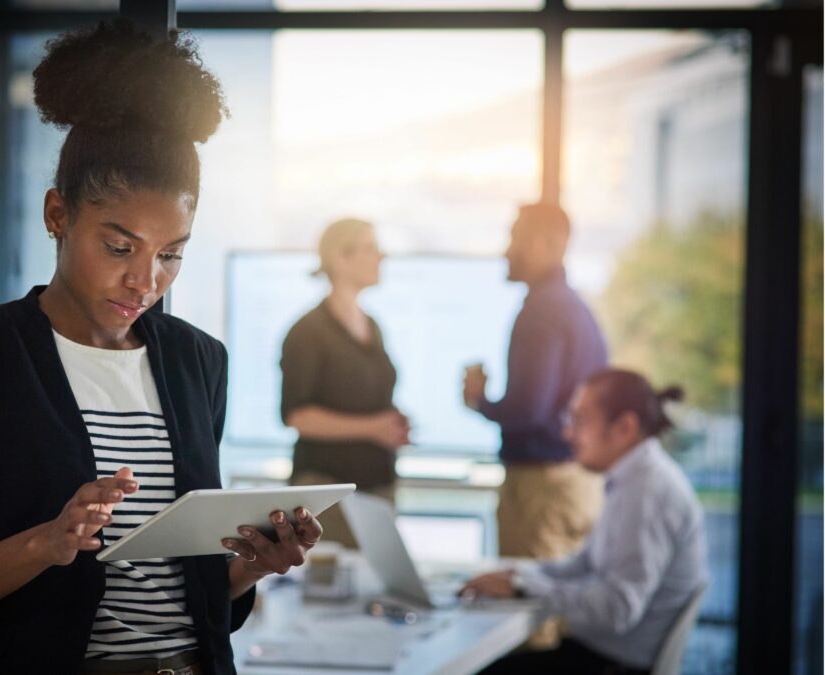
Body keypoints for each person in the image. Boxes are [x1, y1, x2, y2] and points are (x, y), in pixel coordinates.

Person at [0, 21, 322, 675]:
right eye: (120, 247)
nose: (146, 280)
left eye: (171, 254)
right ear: (58, 215)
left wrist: (246, 567)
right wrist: (46, 543)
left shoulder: (199, 361)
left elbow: (195, 600)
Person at [463, 368, 708, 675]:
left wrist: (526, 587)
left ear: (625, 427)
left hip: (613, 665)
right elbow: (584, 564)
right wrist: (520, 575)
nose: (567, 433)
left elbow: (619, 607)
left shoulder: (648, 492)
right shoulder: (634, 479)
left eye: (579, 420)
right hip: (598, 655)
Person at [463, 203, 607, 560]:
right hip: (576, 481)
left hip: (541, 487)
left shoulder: (541, 311)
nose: (506, 251)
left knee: (532, 606)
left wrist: (480, 400)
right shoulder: (575, 307)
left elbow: (528, 410)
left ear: (539, 244)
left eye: (514, 238)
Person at [280, 218, 410, 547]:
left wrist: (392, 424)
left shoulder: (373, 325)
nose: (381, 257)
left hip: (378, 486)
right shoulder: (307, 332)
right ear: (339, 258)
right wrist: (372, 427)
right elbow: (298, 416)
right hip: (328, 492)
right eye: (371, 248)